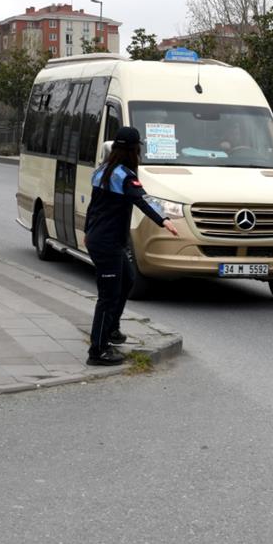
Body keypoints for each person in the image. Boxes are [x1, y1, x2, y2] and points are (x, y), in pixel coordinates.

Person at [84, 126, 179, 366]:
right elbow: (142, 200)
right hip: (107, 243)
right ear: (133, 150)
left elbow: (92, 207)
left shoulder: (103, 171)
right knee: (108, 296)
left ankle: (112, 330)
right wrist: (164, 220)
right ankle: (98, 351)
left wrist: (87, 231)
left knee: (127, 280)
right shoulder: (124, 176)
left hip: (101, 239)